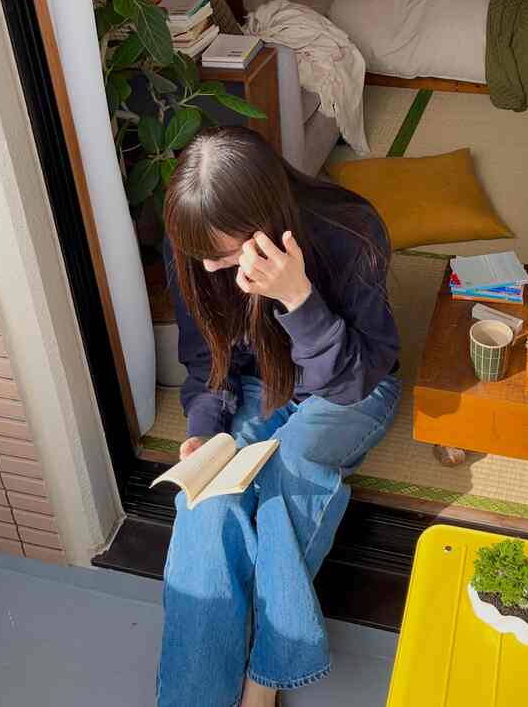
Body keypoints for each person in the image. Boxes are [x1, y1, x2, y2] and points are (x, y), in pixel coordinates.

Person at [156, 127, 401, 707]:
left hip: (349, 386)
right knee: (204, 504)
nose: (209, 267)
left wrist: (298, 299)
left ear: (263, 220)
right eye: (200, 254)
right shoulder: (193, 247)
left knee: (292, 471)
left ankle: (264, 680)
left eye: (222, 254)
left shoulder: (349, 230)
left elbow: (357, 378)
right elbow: (207, 361)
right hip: (256, 385)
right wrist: (204, 432)